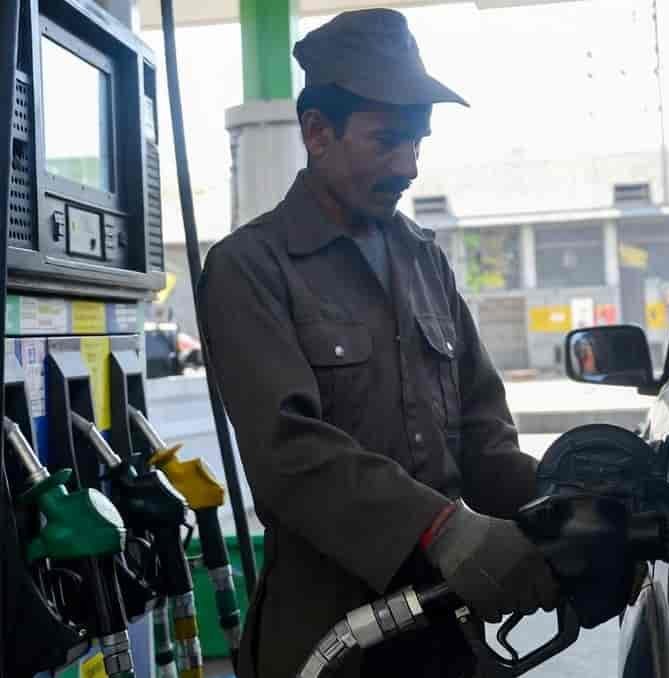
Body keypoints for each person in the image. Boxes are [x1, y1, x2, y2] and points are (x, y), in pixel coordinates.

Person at [199, 9, 558, 678]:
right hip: (328, 641)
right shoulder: (250, 268)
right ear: (317, 132)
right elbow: (287, 450)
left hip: (446, 632)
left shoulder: (425, 260)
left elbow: (483, 436)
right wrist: (440, 528)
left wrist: (566, 505)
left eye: (418, 142)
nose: (408, 166)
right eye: (387, 141)